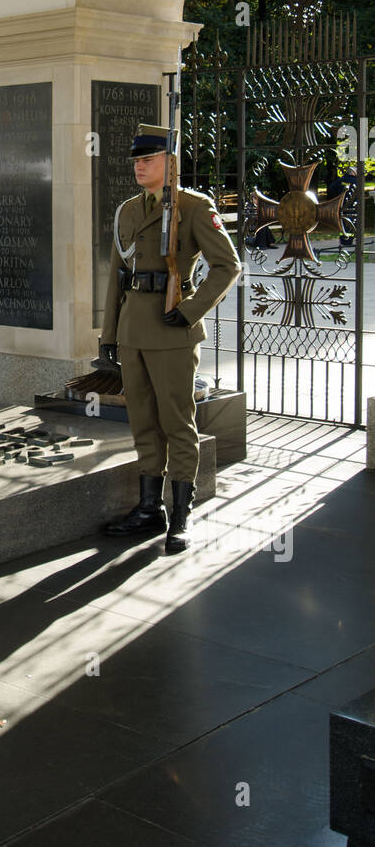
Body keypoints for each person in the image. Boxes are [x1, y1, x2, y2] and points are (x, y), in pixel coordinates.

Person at [99, 123, 242, 553]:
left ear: (170, 162)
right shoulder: (127, 210)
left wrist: (191, 310)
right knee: (142, 420)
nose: (139, 167)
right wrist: (109, 334)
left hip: (172, 329)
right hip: (132, 331)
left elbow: (227, 265)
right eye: (136, 161)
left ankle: (181, 513)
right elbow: (116, 275)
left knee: (177, 423)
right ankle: (149, 509)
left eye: (148, 160)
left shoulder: (196, 207)